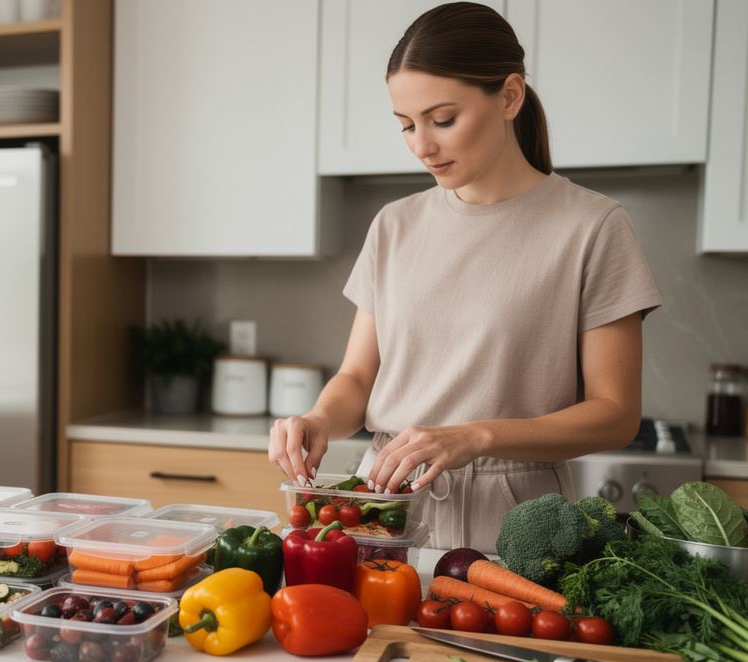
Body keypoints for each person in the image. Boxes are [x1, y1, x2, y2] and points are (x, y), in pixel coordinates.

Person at [267, 2, 661, 553]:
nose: (421, 145)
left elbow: (616, 414)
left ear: (509, 96)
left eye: (442, 119)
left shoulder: (593, 227)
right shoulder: (394, 224)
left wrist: (476, 436)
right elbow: (358, 378)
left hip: (517, 524)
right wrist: (317, 420)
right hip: (385, 507)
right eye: (406, 125)